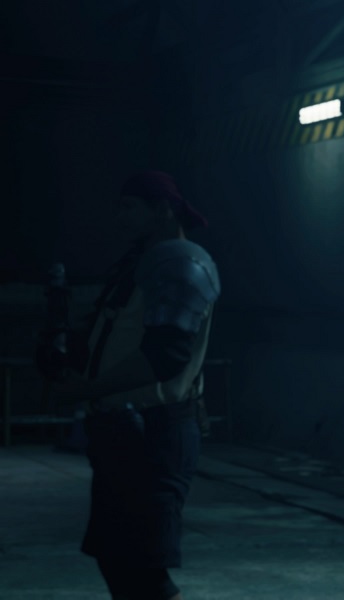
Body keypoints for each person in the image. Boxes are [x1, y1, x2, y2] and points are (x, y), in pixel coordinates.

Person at [52, 171, 220, 600]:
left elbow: (165, 357)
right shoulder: (144, 262)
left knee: (147, 572)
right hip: (124, 432)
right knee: (116, 557)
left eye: (130, 207)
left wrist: (82, 391)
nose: (119, 217)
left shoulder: (179, 261)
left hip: (154, 432)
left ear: (162, 210)